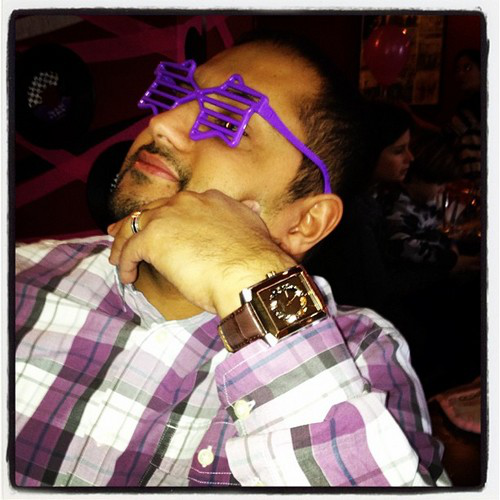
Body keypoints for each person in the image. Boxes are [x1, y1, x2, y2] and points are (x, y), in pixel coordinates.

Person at [14, 32, 450, 487]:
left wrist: (252, 275)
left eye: (227, 122)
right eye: (177, 97)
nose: (162, 124)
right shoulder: (22, 276)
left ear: (305, 222)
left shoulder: (360, 357)